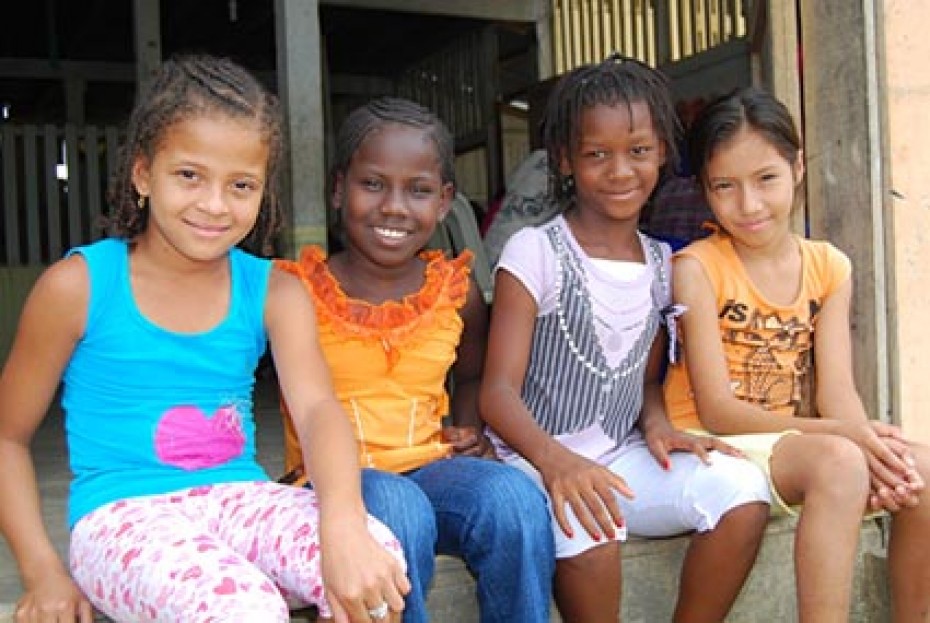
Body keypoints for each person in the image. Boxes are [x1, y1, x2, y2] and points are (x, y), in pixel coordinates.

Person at [0, 55, 409, 623]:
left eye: (241, 184)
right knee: (244, 606)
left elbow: (317, 410)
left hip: (239, 498)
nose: (215, 205)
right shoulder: (78, 286)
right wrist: (43, 571)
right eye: (189, 175)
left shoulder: (274, 292)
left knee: (376, 562)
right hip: (120, 516)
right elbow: (7, 438)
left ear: (263, 191)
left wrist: (341, 523)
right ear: (143, 173)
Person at [478, 54, 772, 623]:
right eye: (596, 154)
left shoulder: (663, 263)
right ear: (564, 159)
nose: (620, 171)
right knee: (594, 521)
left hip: (619, 454)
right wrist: (556, 463)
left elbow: (644, 380)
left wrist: (661, 428)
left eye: (638, 150)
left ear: (663, 150)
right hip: (531, 460)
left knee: (739, 489)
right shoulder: (534, 252)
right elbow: (496, 395)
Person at [277, 97, 554, 623]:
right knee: (398, 508)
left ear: (445, 200)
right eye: (373, 184)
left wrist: (469, 430)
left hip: (431, 470)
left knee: (514, 499)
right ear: (339, 188)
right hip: (330, 486)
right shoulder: (297, 292)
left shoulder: (454, 290)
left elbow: (471, 374)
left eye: (419, 190)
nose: (395, 207)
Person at [664, 86, 930, 621]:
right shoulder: (697, 268)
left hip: (789, 442)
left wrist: (873, 450)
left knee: (918, 467)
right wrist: (847, 440)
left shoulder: (829, 266)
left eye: (766, 179)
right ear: (705, 191)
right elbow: (717, 410)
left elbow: (836, 392)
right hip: (714, 443)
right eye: (725, 186)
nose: (750, 205)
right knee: (838, 460)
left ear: (798, 167)